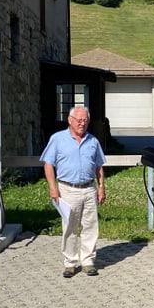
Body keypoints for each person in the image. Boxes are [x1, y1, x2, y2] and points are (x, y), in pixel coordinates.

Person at [40, 106, 107, 278]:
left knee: (91, 227)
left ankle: (87, 262)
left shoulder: (93, 141)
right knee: (70, 228)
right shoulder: (58, 139)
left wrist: (101, 187)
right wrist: (52, 187)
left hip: (89, 188)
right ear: (70, 120)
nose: (82, 123)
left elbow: (99, 166)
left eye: (85, 120)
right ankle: (70, 263)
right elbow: (48, 164)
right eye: (79, 120)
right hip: (67, 190)